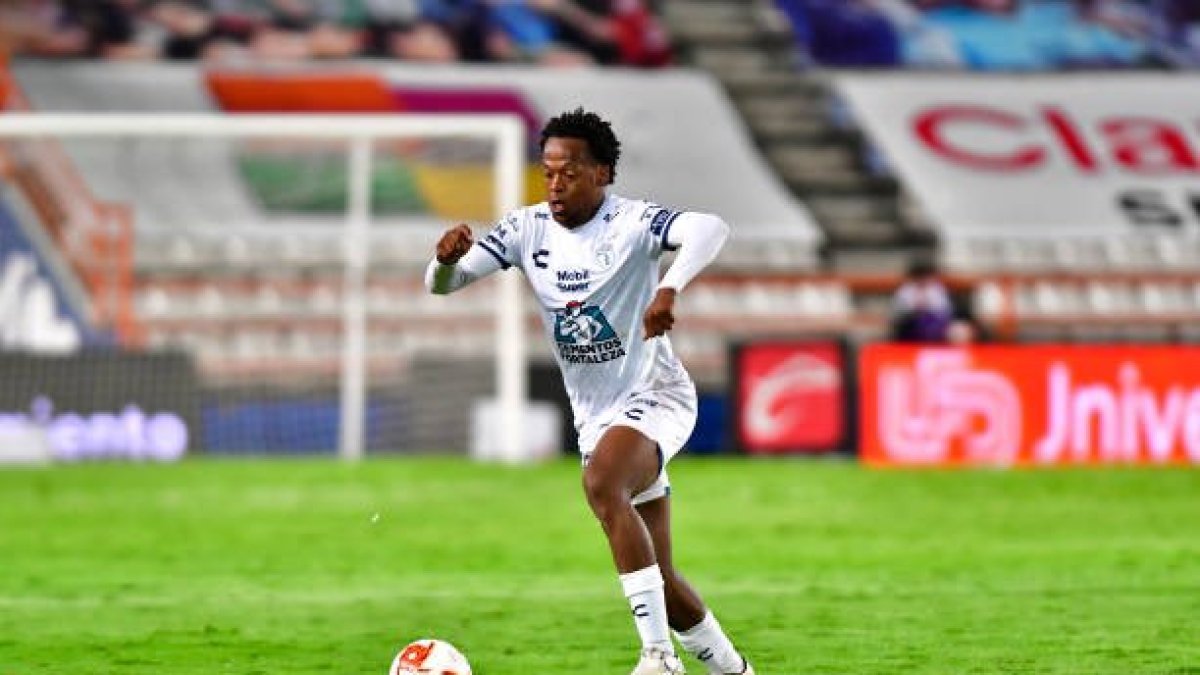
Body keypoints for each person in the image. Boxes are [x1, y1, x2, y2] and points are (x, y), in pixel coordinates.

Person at [425, 109, 754, 675]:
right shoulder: (526, 229)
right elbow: (442, 287)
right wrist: (444, 261)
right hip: (595, 416)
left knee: (601, 481)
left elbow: (710, 228)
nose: (555, 184)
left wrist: (670, 287)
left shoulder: (632, 222)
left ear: (601, 173)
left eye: (570, 173)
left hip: (658, 395)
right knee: (664, 582)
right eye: (548, 172)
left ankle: (658, 659)